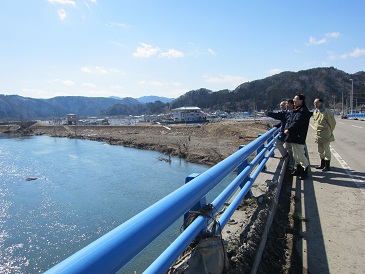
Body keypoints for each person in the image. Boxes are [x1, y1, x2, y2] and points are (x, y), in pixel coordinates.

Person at [284, 94, 312, 180]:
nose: (294, 100)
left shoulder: (303, 111)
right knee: (296, 155)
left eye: (295, 99)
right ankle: (299, 170)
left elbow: (297, 122)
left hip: (299, 136)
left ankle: (305, 171)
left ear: (301, 101)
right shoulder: (297, 109)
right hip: (295, 136)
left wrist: (289, 129)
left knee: (300, 155)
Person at [313, 98, 336, 171]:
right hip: (318, 134)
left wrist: (329, 131)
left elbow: (332, 123)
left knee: (326, 150)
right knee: (320, 150)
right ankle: (322, 164)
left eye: (316, 103)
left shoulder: (327, 111)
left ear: (321, 102)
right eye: (314, 103)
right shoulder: (316, 112)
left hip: (325, 134)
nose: (315, 104)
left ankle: (327, 165)